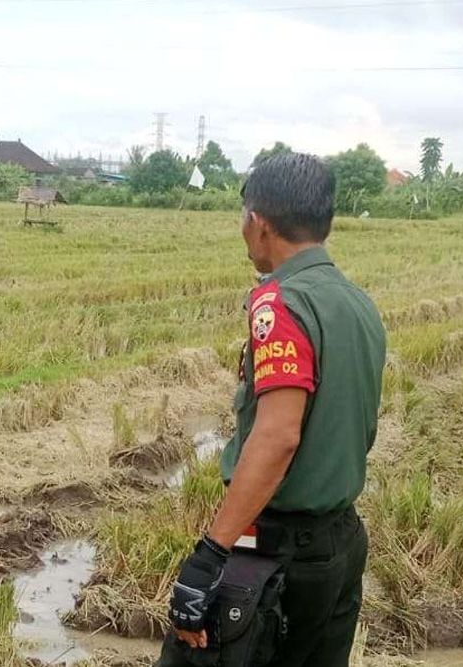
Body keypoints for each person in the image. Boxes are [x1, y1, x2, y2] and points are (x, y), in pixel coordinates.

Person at [159, 153, 387, 666]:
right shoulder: (358, 304)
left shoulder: (280, 303)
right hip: (341, 546)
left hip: (279, 555)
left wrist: (212, 553)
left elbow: (278, 434)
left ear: (259, 223)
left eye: (243, 219)